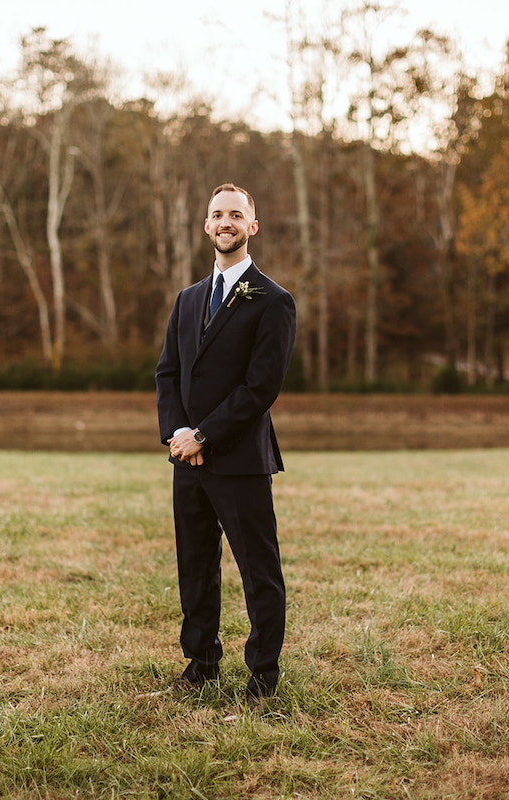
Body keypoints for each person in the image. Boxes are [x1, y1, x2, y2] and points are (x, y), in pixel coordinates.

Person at [155, 182, 297, 701]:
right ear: (207, 225)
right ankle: (201, 661)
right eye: (217, 214)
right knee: (194, 564)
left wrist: (205, 435)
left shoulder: (274, 301)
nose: (225, 223)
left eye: (236, 215)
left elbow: (261, 388)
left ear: (251, 226)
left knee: (258, 569)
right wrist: (177, 435)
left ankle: (263, 673)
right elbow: (167, 373)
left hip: (239, 458)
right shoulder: (188, 299)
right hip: (185, 458)